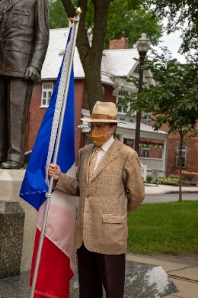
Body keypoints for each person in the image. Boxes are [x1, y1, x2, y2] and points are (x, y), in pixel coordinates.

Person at [48, 101, 145, 298]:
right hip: (83, 234)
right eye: (92, 125)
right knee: (88, 290)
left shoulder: (127, 155)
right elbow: (80, 187)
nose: (95, 130)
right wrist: (59, 178)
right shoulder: (84, 153)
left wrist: (116, 213)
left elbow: (137, 194)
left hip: (110, 235)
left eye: (100, 125)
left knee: (113, 290)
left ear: (113, 127)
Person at [0, 0, 49, 169]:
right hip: (1, 62)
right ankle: (1, 153)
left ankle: (15, 156)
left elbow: (42, 34)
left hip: (22, 64)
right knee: (1, 113)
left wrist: (35, 64)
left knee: (16, 112)